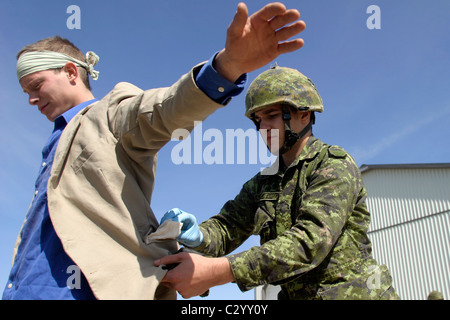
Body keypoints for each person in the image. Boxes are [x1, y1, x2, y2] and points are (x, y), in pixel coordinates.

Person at [2, 2, 306, 300]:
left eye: (36, 85)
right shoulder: (54, 144)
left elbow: (164, 112)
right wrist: (200, 235)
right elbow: (229, 226)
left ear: (71, 72)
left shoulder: (109, 114)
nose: (31, 99)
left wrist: (227, 68)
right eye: (25, 92)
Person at [156, 66, 400, 300]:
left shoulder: (333, 164)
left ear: (304, 114)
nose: (263, 127)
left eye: (272, 116)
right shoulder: (263, 183)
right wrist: (198, 234)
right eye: (258, 120)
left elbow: (309, 243)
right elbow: (227, 227)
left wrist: (218, 271)